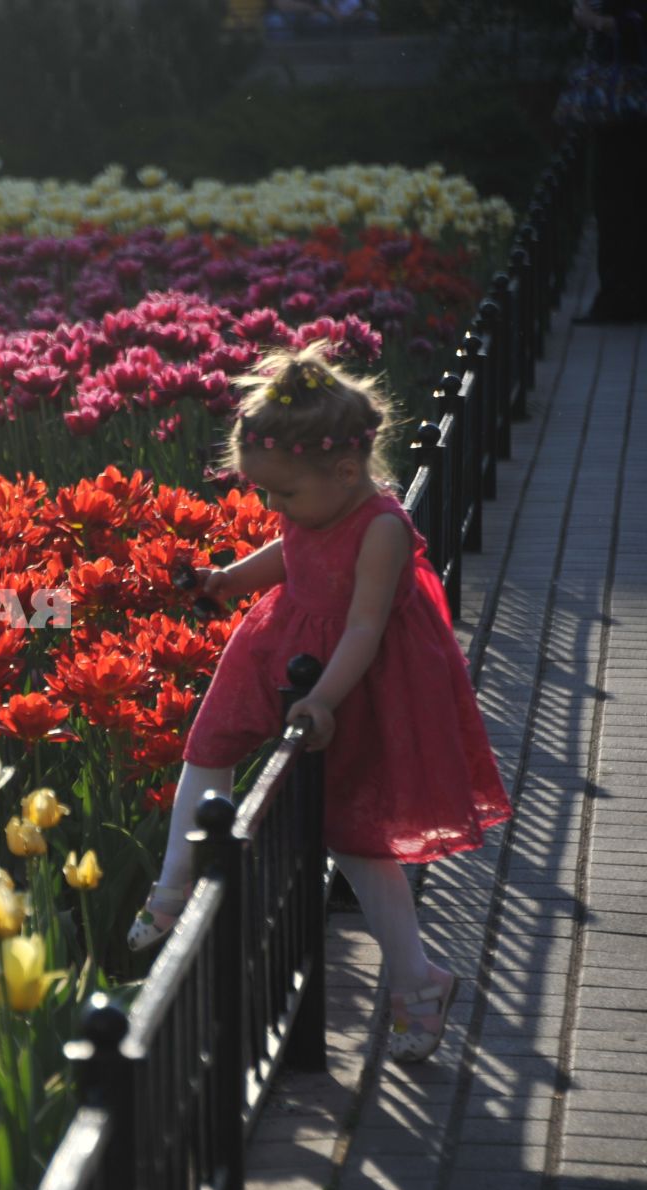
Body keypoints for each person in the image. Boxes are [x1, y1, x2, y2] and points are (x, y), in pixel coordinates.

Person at [128, 344, 512, 1067]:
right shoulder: (315, 503)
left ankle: (417, 980)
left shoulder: (382, 528)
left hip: (350, 679)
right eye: (265, 494)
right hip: (275, 641)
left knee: (355, 836)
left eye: (283, 493)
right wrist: (223, 580)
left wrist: (322, 699)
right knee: (205, 748)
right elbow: (288, 551)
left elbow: (365, 627)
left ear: (343, 471)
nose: (275, 507)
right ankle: (172, 886)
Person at [567, 0, 647, 323]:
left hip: (625, 113)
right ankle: (627, 293)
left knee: (617, 203)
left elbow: (634, 24)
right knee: (623, 205)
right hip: (624, 115)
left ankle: (619, 297)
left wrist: (595, 21)